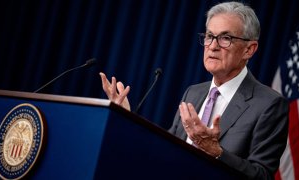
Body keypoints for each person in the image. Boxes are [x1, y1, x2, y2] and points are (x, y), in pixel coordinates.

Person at [99, 2, 289, 179]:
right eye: (209, 36)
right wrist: (125, 118)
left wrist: (216, 153)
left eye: (225, 38)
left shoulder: (269, 104)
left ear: (249, 49)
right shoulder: (194, 93)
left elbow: (261, 174)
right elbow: (163, 148)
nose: (213, 46)